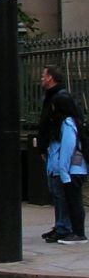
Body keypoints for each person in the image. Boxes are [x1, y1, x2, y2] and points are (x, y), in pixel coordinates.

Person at [38, 65, 79, 242]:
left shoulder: (60, 99)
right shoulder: (52, 97)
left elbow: (68, 128)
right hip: (53, 149)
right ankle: (60, 224)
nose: (41, 78)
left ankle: (64, 226)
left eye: (43, 75)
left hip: (59, 150)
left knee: (59, 190)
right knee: (55, 190)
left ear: (50, 77)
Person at [46, 94, 88, 243]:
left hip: (73, 170)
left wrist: (64, 173)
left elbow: (67, 150)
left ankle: (78, 233)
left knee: (74, 202)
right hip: (75, 169)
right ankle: (76, 232)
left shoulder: (68, 123)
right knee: (73, 201)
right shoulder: (73, 122)